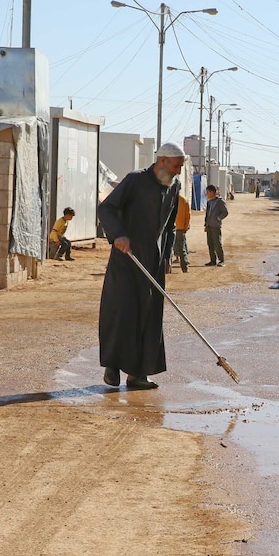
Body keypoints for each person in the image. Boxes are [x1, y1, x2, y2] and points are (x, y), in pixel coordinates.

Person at [97, 141, 184, 390]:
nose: (178, 171)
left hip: (153, 260)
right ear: (163, 160)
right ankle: (112, 367)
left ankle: (138, 374)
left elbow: (168, 226)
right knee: (122, 311)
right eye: (177, 166)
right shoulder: (135, 180)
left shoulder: (173, 186)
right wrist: (118, 235)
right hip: (127, 257)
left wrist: (166, 254)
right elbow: (107, 209)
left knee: (150, 315)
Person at [204, 184, 229, 267]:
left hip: (216, 226)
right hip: (209, 226)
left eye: (208, 192)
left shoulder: (220, 202)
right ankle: (213, 260)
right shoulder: (209, 202)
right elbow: (207, 214)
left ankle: (221, 260)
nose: (207, 194)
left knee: (217, 243)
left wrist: (218, 218)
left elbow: (225, 212)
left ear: (212, 192)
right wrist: (206, 224)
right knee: (210, 243)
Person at [173, 191, 191, 273]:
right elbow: (188, 215)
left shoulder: (169, 198)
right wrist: (186, 226)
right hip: (180, 228)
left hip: (171, 227)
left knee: (168, 248)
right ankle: (185, 267)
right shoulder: (184, 200)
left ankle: (167, 268)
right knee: (182, 248)